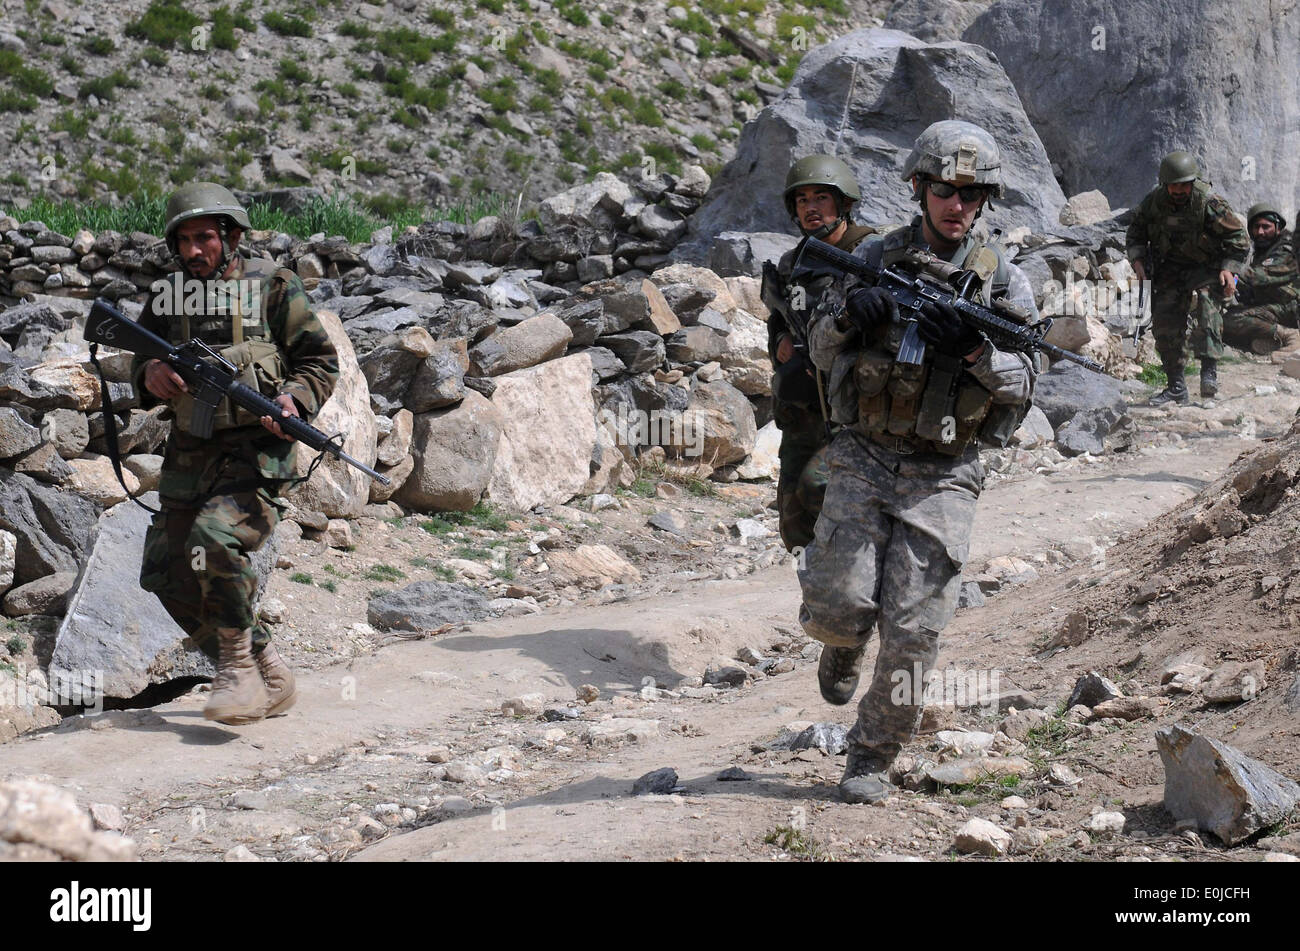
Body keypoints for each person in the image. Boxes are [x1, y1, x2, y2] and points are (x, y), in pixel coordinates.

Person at [797, 120, 1039, 803]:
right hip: (865, 454)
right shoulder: (873, 256)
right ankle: (841, 640)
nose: (956, 206)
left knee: (915, 633)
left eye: (970, 194)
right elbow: (819, 352)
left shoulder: (1004, 281)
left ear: (985, 200)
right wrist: (851, 316)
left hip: (946, 469)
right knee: (839, 601)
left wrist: (973, 350)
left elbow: (1026, 381)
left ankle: (870, 757)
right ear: (917, 188)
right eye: (943, 190)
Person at [130, 182, 339, 725]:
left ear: (232, 236)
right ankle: (265, 664)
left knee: (214, 542)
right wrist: (148, 374)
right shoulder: (167, 295)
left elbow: (319, 360)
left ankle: (235, 668)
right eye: (185, 241)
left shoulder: (273, 286)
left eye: (205, 238)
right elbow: (139, 358)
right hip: (190, 455)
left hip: (257, 455)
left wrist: (294, 399)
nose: (195, 251)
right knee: (167, 573)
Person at [765, 156, 876, 551]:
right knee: (795, 520)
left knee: (831, 499)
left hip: (854, 413)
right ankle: (818, 604)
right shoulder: (792, 263)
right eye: (802, 200)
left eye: (821, 198)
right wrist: (779, 342)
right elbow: (779, 318)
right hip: (803, 414)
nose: (811, 208)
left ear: (844, 203)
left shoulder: (871, 255)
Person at [1126, 151, 1249, 402]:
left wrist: (1228, 269)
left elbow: (1239, 239)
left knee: (1207, 309)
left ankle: (1209, 373)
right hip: (1168, 268)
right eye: (1174, 185)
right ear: (1165, 184)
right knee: (1165, 322)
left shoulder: (1209, 203)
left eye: (1185, 185)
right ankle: (1176, 386)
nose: (1179, 190)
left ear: (1193, 183)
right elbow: (1136, 232)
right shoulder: (1153, 202)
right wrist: (1137, 261)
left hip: (1206, 267)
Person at [1223, 201, 1300, 355]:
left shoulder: (1287, 250)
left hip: (1290, 309)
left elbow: (1257, 277)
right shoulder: (1262, 252)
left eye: (1266, 227)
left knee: (1230, 320)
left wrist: (1228, 266)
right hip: (1272, 307)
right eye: (1256, 227)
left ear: (1277, 228)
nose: (1260, 232)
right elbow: (1246, 283)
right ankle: (1270, 341)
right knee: (1221, 325)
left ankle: (1290, 335)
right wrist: (1232, 285)